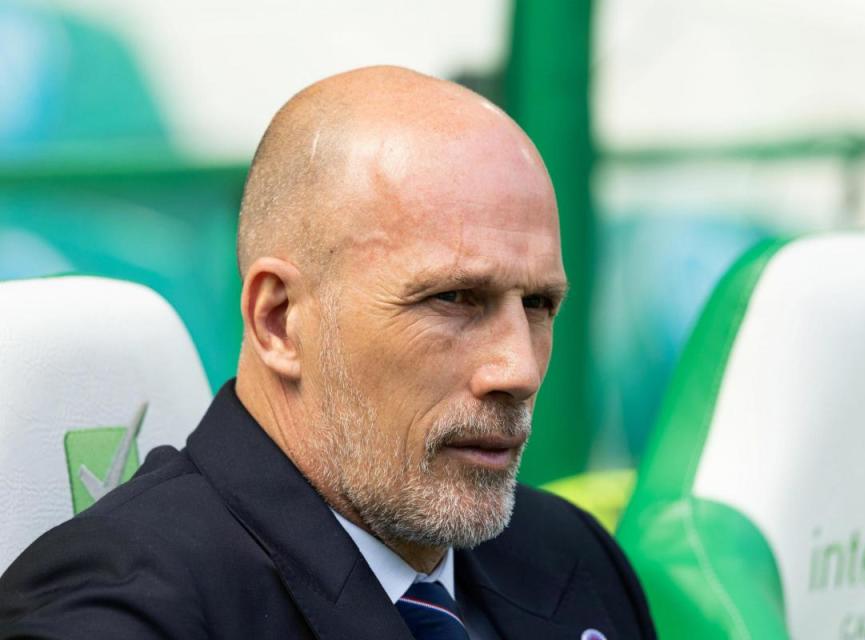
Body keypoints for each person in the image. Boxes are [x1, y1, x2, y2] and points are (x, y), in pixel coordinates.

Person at [0, 66, 657, 639]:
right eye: (454, 298)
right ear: (280, 320)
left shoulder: (572, 558)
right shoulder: (123, 611)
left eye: (538, 305)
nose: (517, 368)